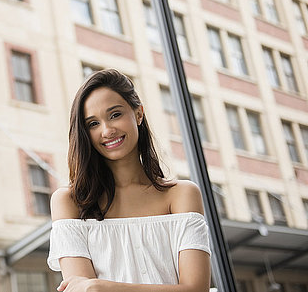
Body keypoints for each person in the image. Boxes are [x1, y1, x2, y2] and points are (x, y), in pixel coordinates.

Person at [47, 69, 211, 292]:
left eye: (115, 115)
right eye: (93, 124)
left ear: (139, 114)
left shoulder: (182, 195)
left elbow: (195, 289)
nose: (107, 130)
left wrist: (104, 287)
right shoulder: (70, 202)